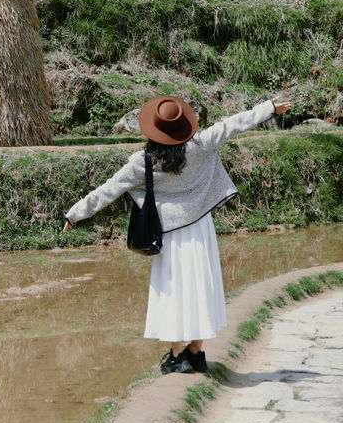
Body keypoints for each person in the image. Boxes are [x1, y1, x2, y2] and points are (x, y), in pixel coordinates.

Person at [62, 95, 291, 374]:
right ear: (183, 126)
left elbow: (109, 189)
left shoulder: (142, 162)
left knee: (173, 290)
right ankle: (196, 353)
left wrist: (75, 214)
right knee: (199, 287)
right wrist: (268, 108)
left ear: (152, 130)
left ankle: (177, 354)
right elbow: (233, 124)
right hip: (200, 228)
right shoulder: (200, 145)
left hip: (168, 234)